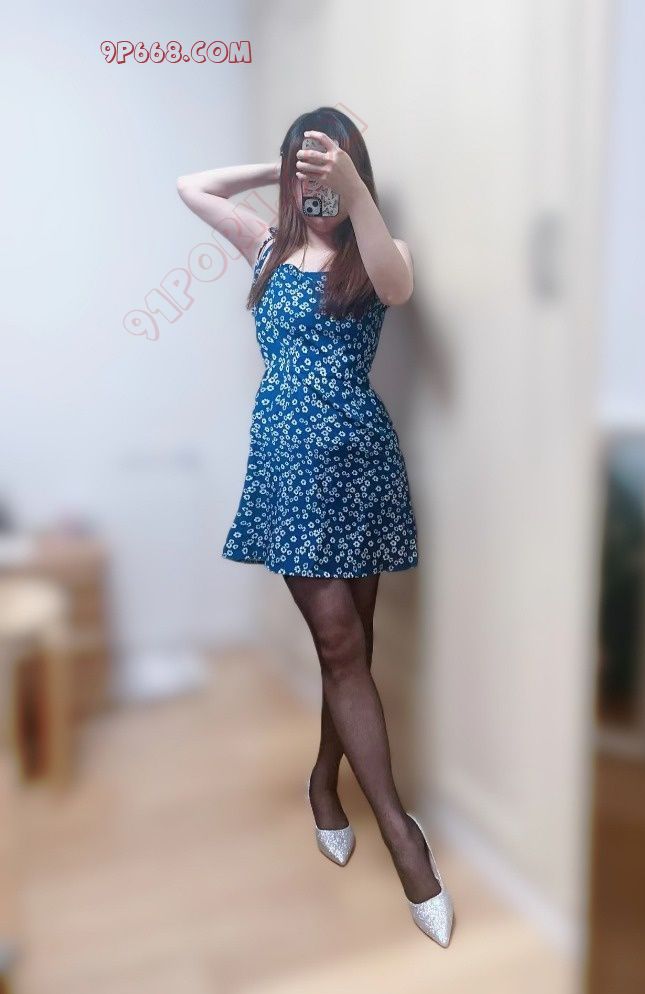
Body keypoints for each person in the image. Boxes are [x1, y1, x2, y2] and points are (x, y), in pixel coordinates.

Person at [177, 106, 453, 947]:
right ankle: (403, 839)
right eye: (306, 172)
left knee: (351, 650)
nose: (315, 187)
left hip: (360, 464)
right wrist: (285, 167)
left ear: (354, 174)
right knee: (339, 644)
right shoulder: (265, 244)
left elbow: (398, 290)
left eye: (327, 171)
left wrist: (350, 187)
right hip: (289, 468)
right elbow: (192, 186)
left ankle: (323, 785)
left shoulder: (379, 252)